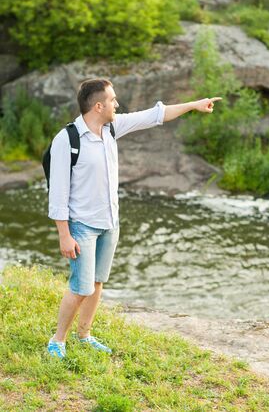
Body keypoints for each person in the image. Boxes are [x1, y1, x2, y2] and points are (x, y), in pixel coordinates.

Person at [47, 78, 222, 358]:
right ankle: (57, 340)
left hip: (110, 222)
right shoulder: (66, 140)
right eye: (113, 100)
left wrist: (193, 105)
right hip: (82, 225)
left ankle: (85, 334)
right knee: (80, 286)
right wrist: (64, 234)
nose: (117, 104)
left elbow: (155, 115)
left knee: (97, 282)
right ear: (99, 105)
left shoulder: (112, 127)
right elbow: (57, 193)